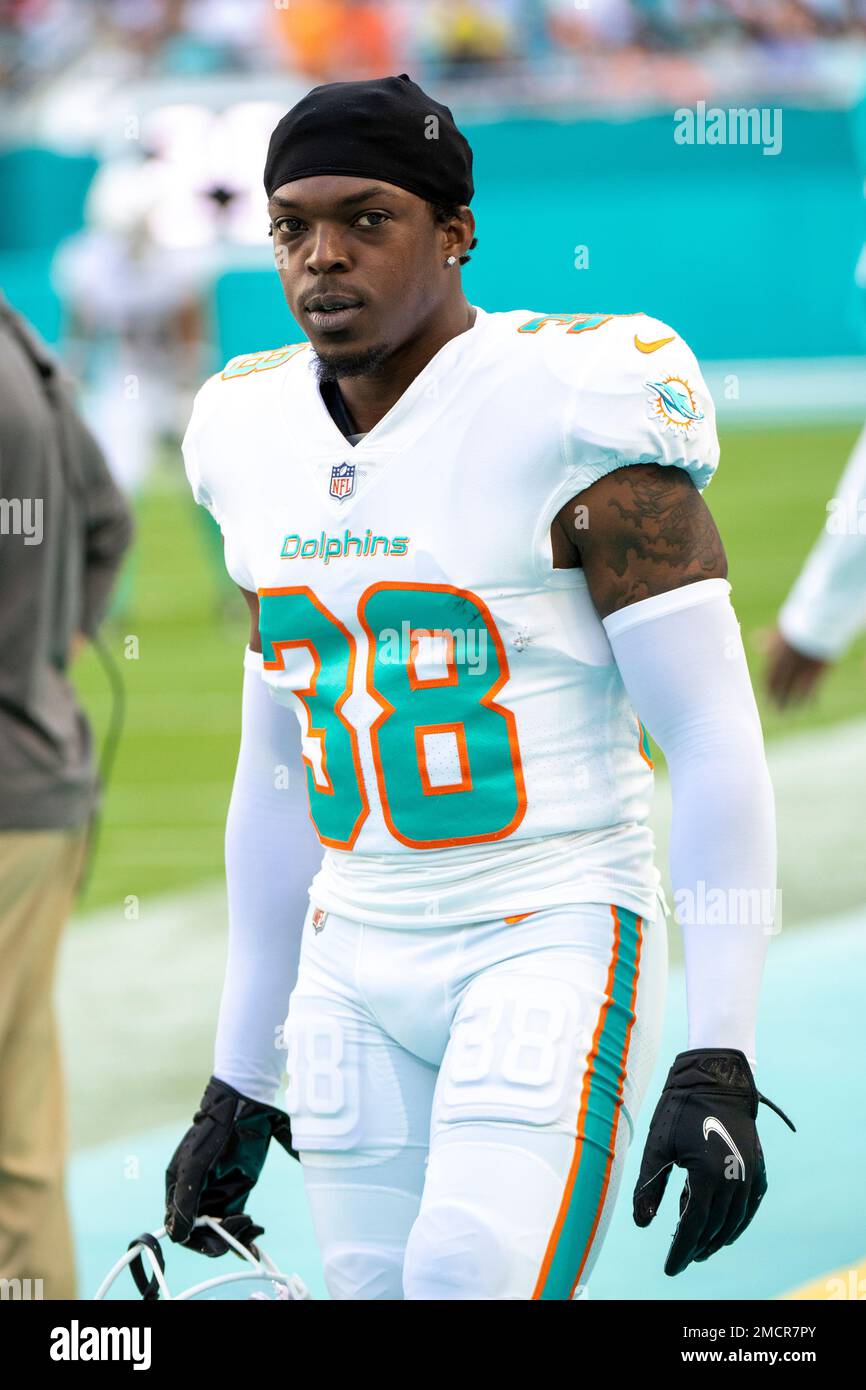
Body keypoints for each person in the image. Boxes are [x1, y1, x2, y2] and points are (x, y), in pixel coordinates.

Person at [165, 74, 790, 1301]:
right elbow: (281, 772)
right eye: (293, 226)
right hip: (352, 951)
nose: (322, 257)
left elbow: (712, 737)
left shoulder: (574, 404)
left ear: (453, 230)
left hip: (547, 922)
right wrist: (243, 1070)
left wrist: (718, 1051)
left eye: (366, 218)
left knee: (466, 1277)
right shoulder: (243, 431)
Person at [0, 294, 134, 1299]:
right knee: (18, 1132)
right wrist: (43, 661)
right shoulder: (22, 342)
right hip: (38, 783)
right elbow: (107, 519)